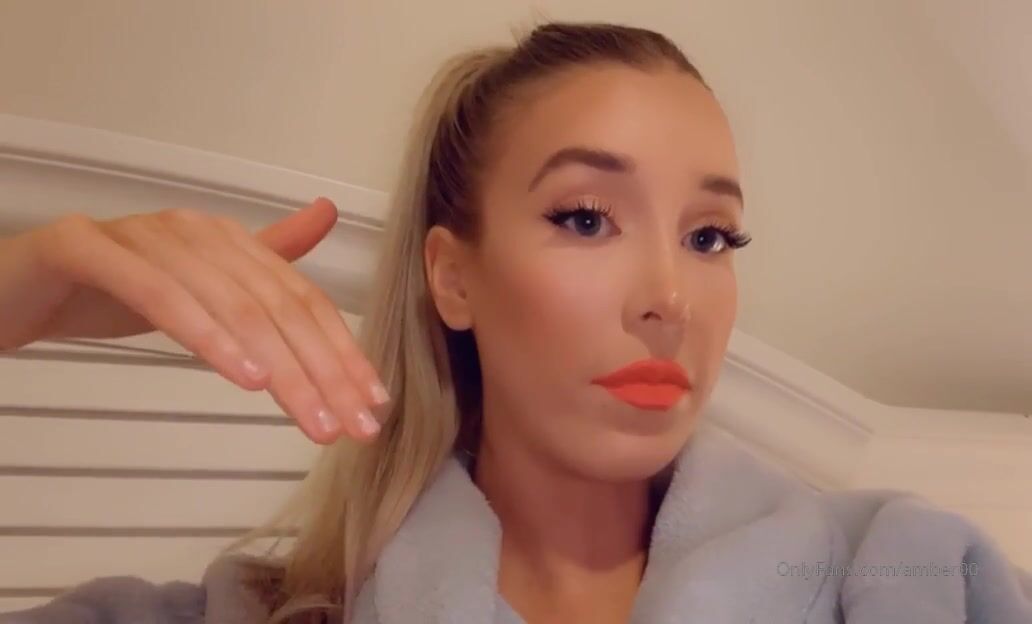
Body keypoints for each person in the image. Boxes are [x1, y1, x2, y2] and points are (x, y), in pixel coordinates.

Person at [0, 21, 1029, 624]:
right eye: (586, 218)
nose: (670, 296)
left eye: (711, 236)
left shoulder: (908, 578)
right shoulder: (263, 614)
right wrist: (20, 294)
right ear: (453, 279)